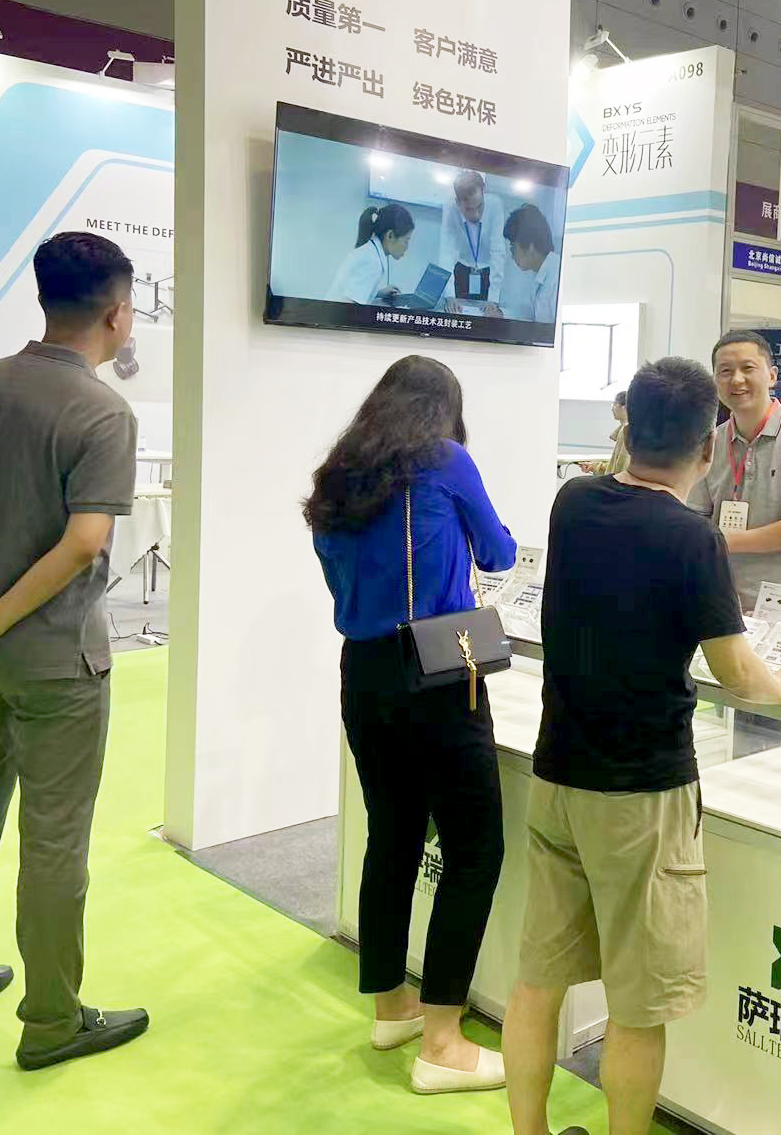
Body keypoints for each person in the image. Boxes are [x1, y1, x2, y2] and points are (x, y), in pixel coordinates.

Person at [503, 357, 781, 1135]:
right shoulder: (692, 539)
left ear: (627, 426)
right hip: (641, 795)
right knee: (638, 1007)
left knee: (538, 981)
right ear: (706, 448)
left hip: (559, 773)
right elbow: (738, 673)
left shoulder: (573, 502)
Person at [0, 231, 148, 1070]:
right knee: (54, 840)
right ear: (117, 314)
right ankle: (51, 1019)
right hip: (58, 665)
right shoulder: (103, 412)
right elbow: (84, 542)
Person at [306, 356, 517, 1095]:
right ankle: (443, 1042)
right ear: (445, 409)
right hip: (439, 667)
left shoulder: (339, 474)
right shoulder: (444, 460)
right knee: (474, 848)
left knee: (392, 837)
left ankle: (392, 1006)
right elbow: (499, 551)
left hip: (363, 671)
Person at [688, 331, 781, 622]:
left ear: (772, 376)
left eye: (747, 368)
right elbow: (697, 520)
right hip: (722, 598)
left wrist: (721, 540)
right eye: (725, 371)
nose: (736, 380)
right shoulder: (711, 441)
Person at [439, 171, 507, 314]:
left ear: (483, 192)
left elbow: (498, 251)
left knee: (486, 316)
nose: (476, 214)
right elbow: (446, 252)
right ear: (458, 202)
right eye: (469, 209)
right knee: (458, 315)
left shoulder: (495, 204)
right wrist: (450, 296)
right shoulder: (450, 207)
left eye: (479, 207)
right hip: (462, 270)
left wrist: (493, 298)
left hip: (487, 272)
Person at [329, 203, 416, 305]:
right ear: (390, 235)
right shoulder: (372, 261)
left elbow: (353, 294)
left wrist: (378, 293)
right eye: (406, 240)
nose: (407, 246)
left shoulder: (370, 251)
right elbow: (348, 305)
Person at [502, 203, 560, 325]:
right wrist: (501, 315)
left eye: (513, 248)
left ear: (530, 247)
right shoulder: (538, 273)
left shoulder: (556, 279)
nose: (512, 256)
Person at [607, 389, 629, 475]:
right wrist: (595, 466)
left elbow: (620, 469)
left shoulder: (625, 432)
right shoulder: (623, 430)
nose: (612, 409)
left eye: (615, 404)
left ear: (624, 407)